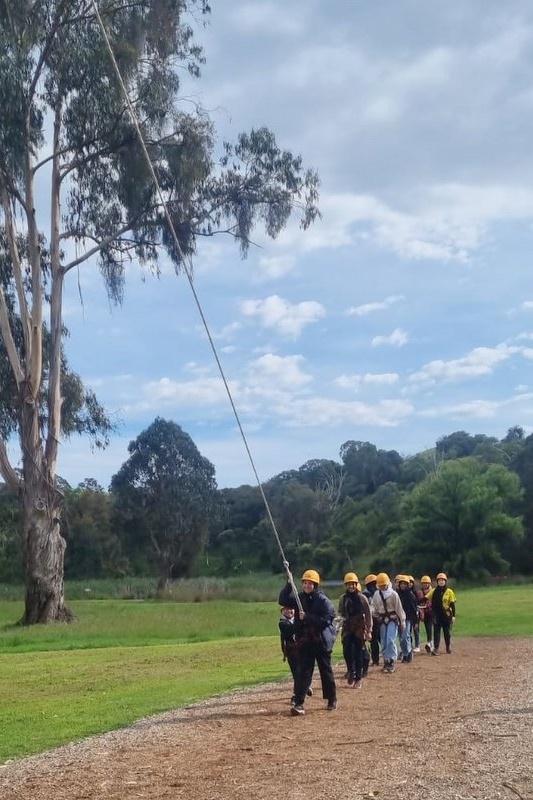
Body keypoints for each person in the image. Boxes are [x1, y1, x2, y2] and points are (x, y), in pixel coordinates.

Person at [279, 569, 338, 716]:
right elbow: (283, 600)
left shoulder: (322, 600)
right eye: (304, 583)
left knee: (325, 671)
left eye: (310, 583)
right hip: (306, 642)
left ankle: (332, 699)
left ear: (315, 585)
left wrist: (308, 617)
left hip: (321, 641)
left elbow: (328, 619)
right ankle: (299, 703)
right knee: (303, 672)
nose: (306, 585)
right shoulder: (299, 598)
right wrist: (288, 583)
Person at [338, 572, 372, 689]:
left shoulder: (362, 598)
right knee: (347, 651)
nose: (351, 586)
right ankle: (350, 671)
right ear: (346, 585)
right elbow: (341, 613)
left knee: (358, 652)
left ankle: (358, 677)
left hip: (359, 627)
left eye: (353, 584)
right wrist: (338, 624)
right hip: (347, 626)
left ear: (356, 584)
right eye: (348, 584)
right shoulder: (343, 598)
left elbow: (368, 614)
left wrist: (369, 630)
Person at [370, 572, 405, 673]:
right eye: (380, 586)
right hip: (381, 620)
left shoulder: (394, 594)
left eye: (383, 585)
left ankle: (391, 660)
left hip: (392, 619)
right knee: (384, 641)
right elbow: (373, 606)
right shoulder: (377, 594)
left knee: (390, 639)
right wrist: (372, 612)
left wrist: (402, 621)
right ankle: (386, 660)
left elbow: (399, 608)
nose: (382, 587)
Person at [428, 572, 457, 655]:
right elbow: (425, 598)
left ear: (445, 581)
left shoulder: (449, 591)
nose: (441, 582)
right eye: (439, 580)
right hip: (436, 615)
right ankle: (436, 648)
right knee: (436, 632)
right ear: (437, 581)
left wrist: (453, 616)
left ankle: (448, 646)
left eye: (443, 580)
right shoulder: (433, 591)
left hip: (446, 615)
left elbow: (452, 605)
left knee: (446, 632)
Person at [396, 575, 418, 663]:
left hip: (408, 619)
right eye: (402, 583)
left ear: (408, 585)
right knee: (401, 638)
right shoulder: (397, 594)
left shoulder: (411, 595)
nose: (403, 585)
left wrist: (415, 622)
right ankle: (406, 654)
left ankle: (408, 653)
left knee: (405, 636)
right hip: (398, 619)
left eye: (405, 584)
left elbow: (414, 609)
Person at [363, 573, 381, 667]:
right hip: (372, 619)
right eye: (372, 584)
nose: (374, 586)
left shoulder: (380, 593)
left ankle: (388, 657)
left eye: (375, 583)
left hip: (380, 618)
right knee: (374, 640)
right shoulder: (365, 595)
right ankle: (375, 660)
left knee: (383, 639)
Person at [418, 575, 434, 653]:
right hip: (424, 612)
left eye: (426, 583)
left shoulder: (432, 591)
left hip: (431, 612)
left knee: (429, 627)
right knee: (427, 627)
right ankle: (430, 642)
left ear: (429, 584)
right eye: (423, 583)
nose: (425, 585)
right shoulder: (420, 592)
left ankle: (430, 642)